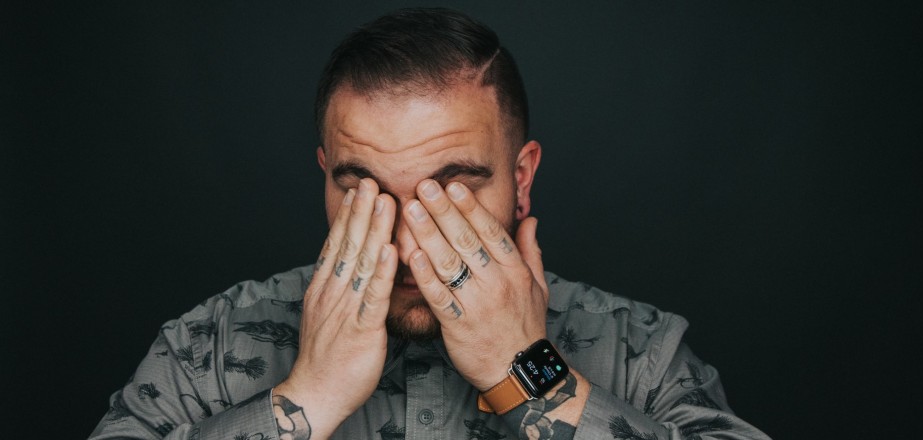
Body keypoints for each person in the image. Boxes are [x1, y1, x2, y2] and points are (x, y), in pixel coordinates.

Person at [91, 8, 769, 440]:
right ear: (326, 176)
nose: (409, 244)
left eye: (449, 195)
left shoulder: (637, 350)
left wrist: (530, 376)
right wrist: (309, 398)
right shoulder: (205, 347)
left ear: (521, 179)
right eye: (365, 193)